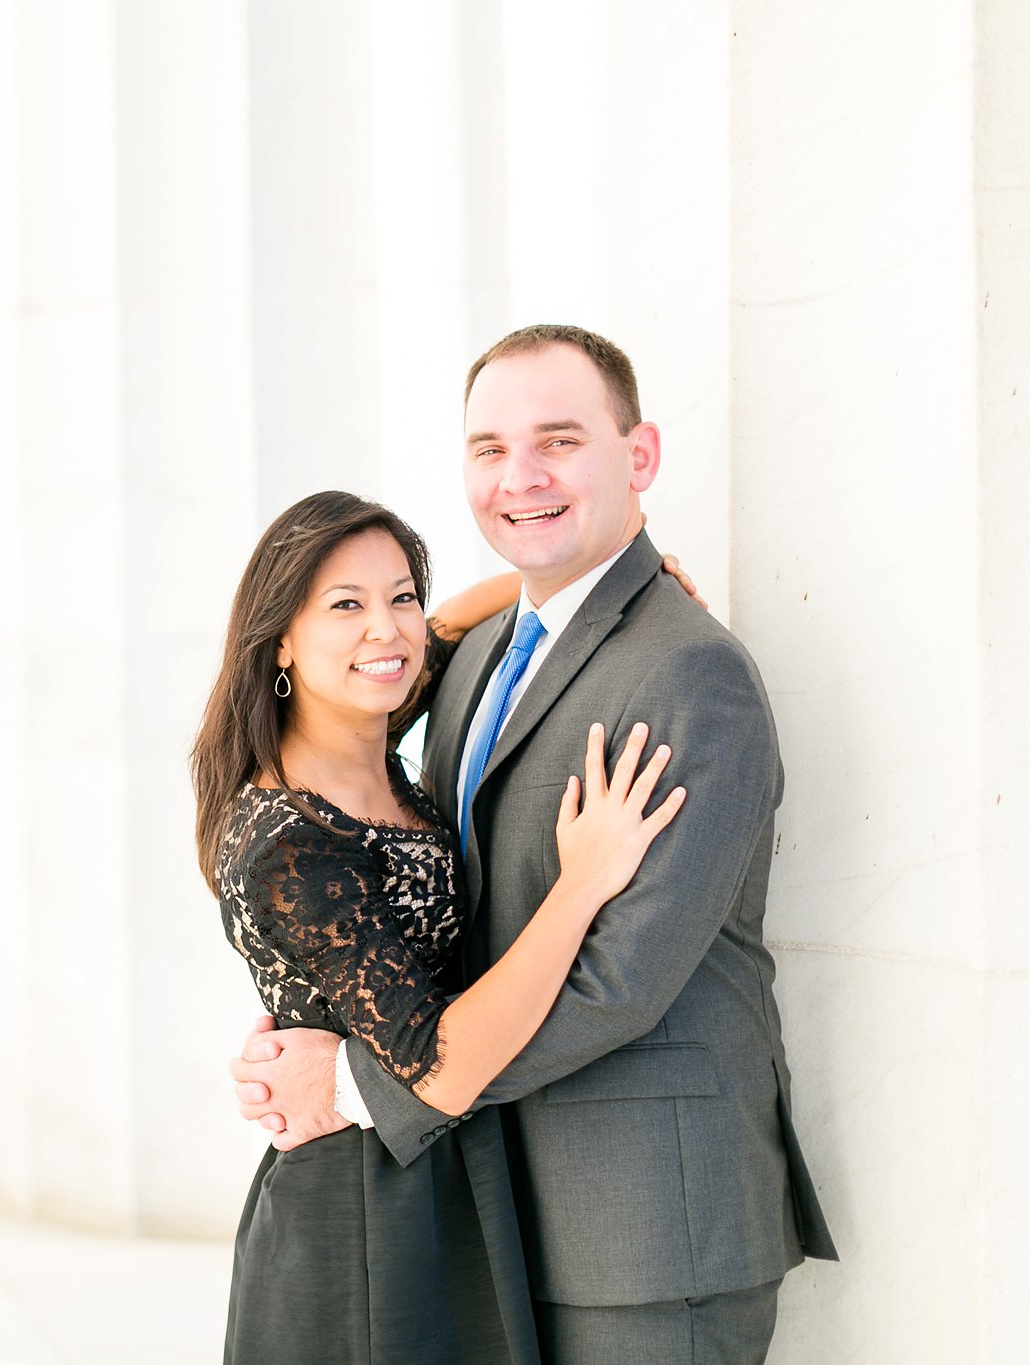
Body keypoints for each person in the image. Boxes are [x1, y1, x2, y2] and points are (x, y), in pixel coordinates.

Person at [229, 325, 838, 1363]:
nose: (520, 477)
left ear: (636, 457)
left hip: (647, 1230)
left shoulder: (687, 672)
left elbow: (618, 980)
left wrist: (355, 1083)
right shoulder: (473, 664)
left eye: (558, 440)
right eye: (487, 448)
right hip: (495, 1213)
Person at [198, 490, 689, 1363]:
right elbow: (444, 1067)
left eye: (399, 596)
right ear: (280, 639)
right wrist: (581, 885)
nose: (384, 631)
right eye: (344, 605)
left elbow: (449, 629)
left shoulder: (368, 729)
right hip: (361, 1210)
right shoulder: (291, 841)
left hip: (437, 1182)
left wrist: (611, 581)